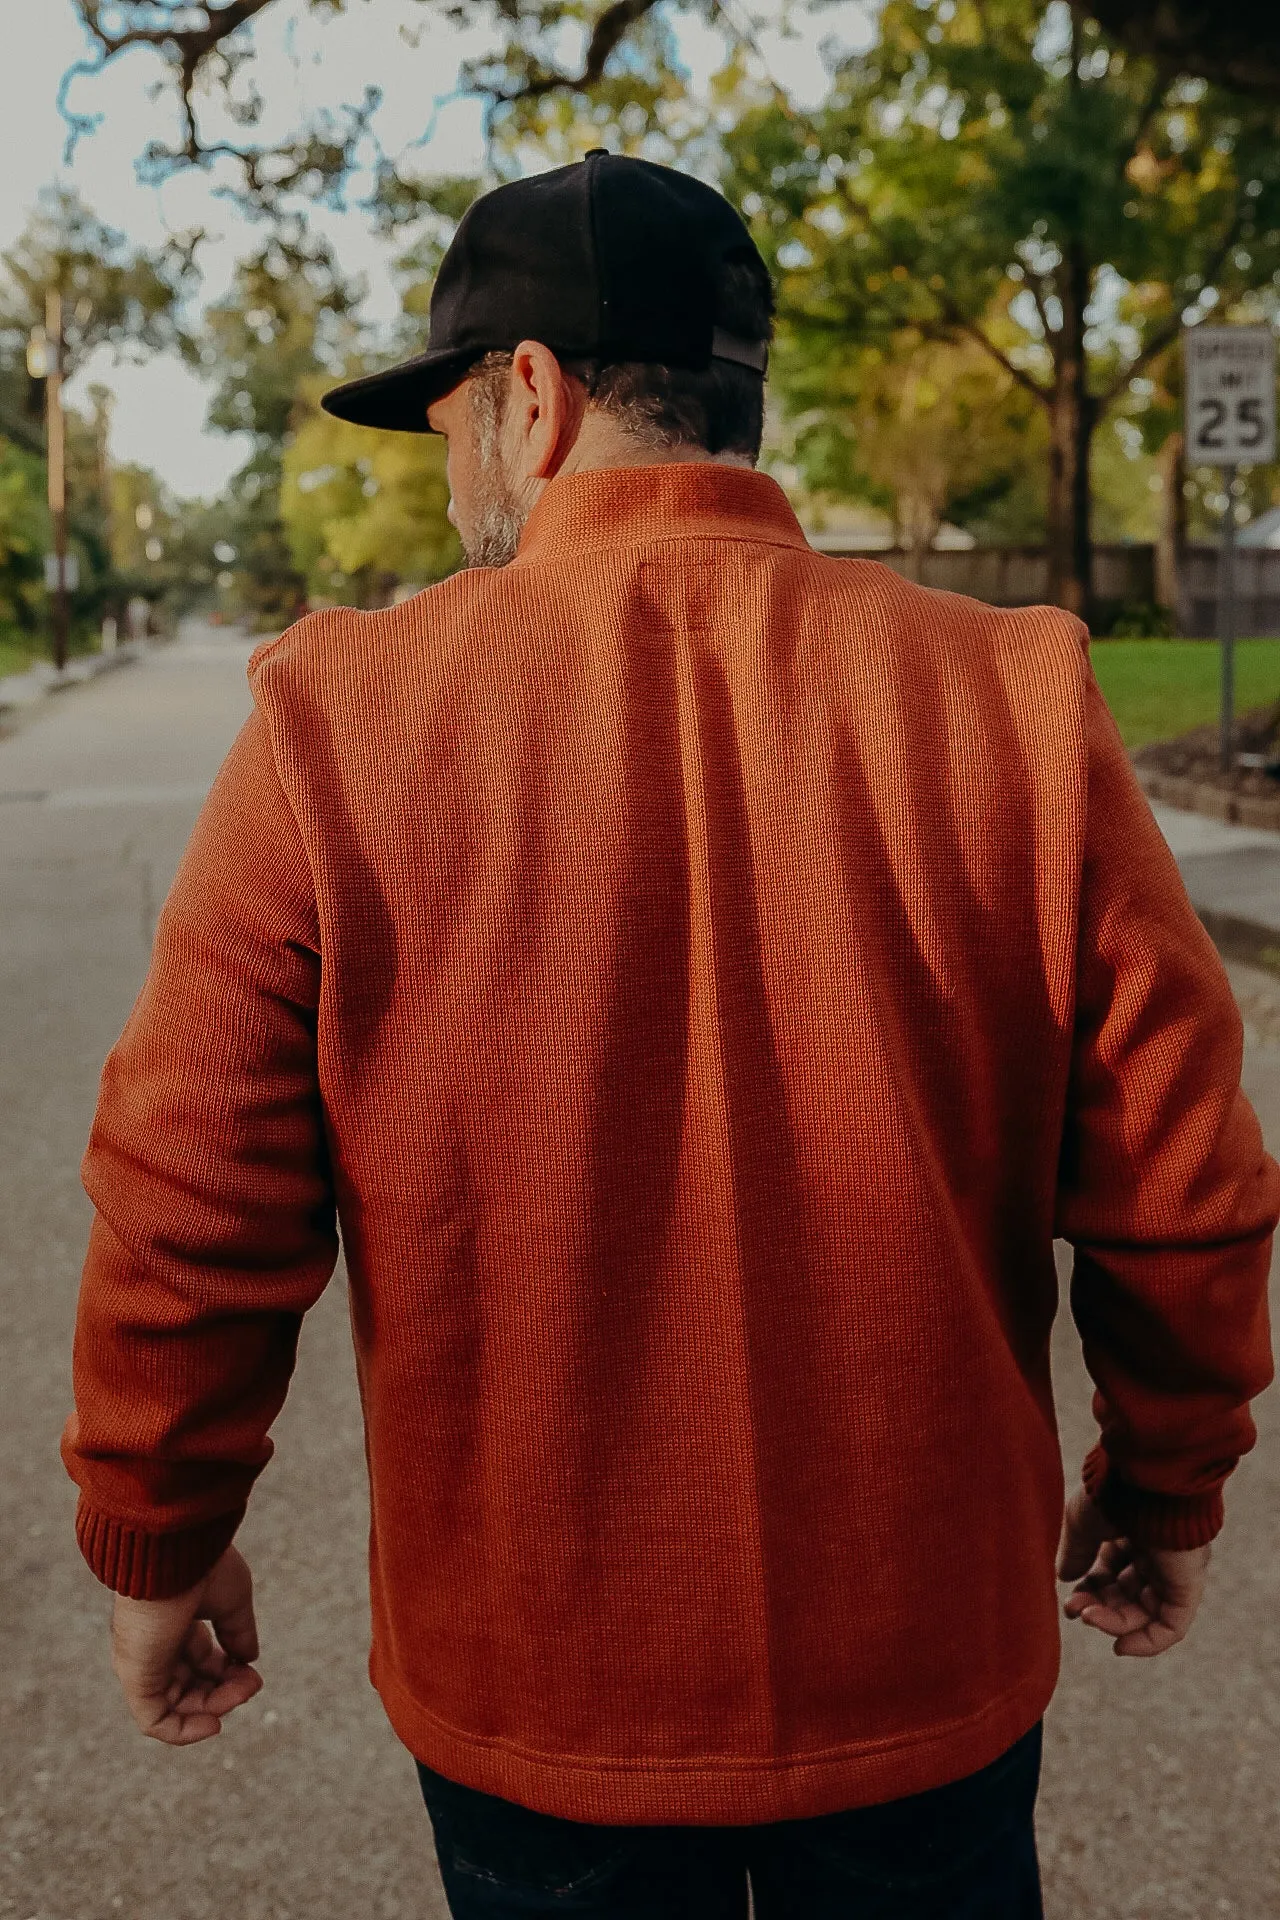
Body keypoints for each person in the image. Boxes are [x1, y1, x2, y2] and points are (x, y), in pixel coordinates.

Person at [62, 151, 1279, 1919]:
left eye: (452, 425)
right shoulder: (1011, 692)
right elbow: (1186, 1173)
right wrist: (1167, 1483)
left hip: (537, 1691)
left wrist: (161, 1537)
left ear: (531, 400)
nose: (456, 477)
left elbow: (188, 1204)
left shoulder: (339, 720)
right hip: (926, 1670)